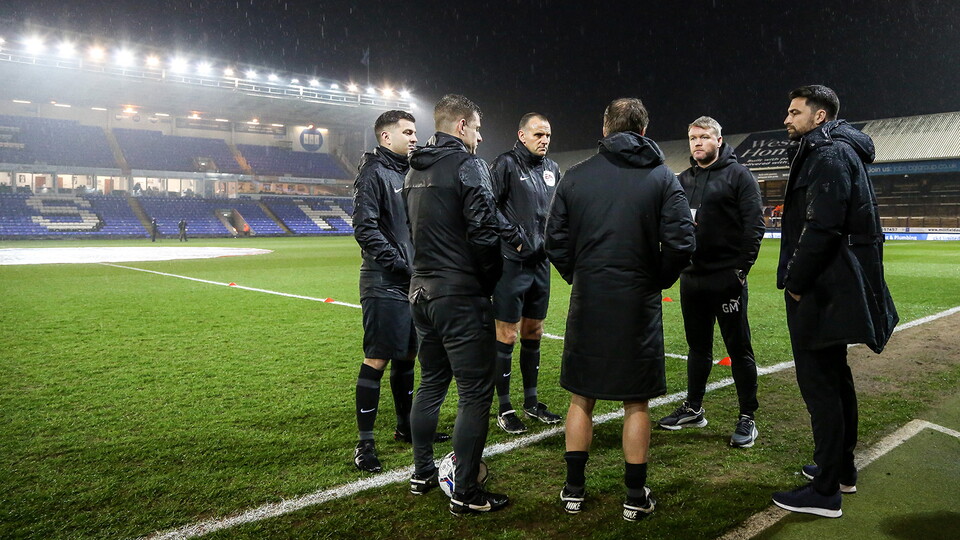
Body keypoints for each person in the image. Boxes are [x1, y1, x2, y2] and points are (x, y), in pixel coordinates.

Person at [546, 98, 695, 521]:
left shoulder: (575, 178)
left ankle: (574, 489)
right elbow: (683, 243)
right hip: (637, 302)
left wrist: (581, 274)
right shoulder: (663, 178)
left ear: (606, 129)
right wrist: (656, 279)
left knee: (581, 397)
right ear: (644, 131)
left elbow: (554, 240)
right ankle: (634, 495)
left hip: (591, 298)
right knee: (637, 402)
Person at [772, 85, 897, 518]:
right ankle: (841, 468)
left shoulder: (827, 155)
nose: (786, 119)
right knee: (836, 378)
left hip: (823, 289)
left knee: (821, 386)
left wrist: (795, 283)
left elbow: (822, 227)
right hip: (836, 286)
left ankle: (826, 491)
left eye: (794, 112)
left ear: (819, 116)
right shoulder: (840, 150)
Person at [404, 94, 524, 515]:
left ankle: (421, 473)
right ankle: (466, 493)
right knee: (476, 391)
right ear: (460, 127)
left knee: (433, 381)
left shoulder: (412, 171)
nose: (480, 135)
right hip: (458, 293)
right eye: (476, 127)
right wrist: (487, 283)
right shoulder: (468, 165)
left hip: (421, 291)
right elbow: (484, 230)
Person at [351, 110, 450, 473]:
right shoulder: (373, 173)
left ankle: (405, 427)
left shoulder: (410, 171)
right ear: (385, 137)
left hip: (412, 281)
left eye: (415, 131)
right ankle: (364, 443)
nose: (414, 137)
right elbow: (365, 228)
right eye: (407, 132)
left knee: (408, 356)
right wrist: (401, 264)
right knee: (377, 358)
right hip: (383, 282)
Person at [657, 116, 765, 448]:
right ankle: (693, 407)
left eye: (704, 137)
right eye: (692, 138)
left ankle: (747, 415)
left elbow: (754, 227)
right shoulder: (683, 179)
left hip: (727, 279)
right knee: (698, 348)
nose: (697, 143)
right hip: (693, 280)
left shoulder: (739, 175)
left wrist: (740, 271)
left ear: (719, 140)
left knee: (739, 348)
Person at [489, 113, 563, 434]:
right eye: (538, 134)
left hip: (540, 264)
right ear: (521, 135)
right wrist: (516, 240)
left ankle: (532, 402)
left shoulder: (552, 170)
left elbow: (558, 212)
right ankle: (504, 407)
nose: (544, 140)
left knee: (534, 331)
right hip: (511, 264)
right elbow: (487, 206)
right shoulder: (504, 165)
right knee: (506, 334)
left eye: (547, 135)